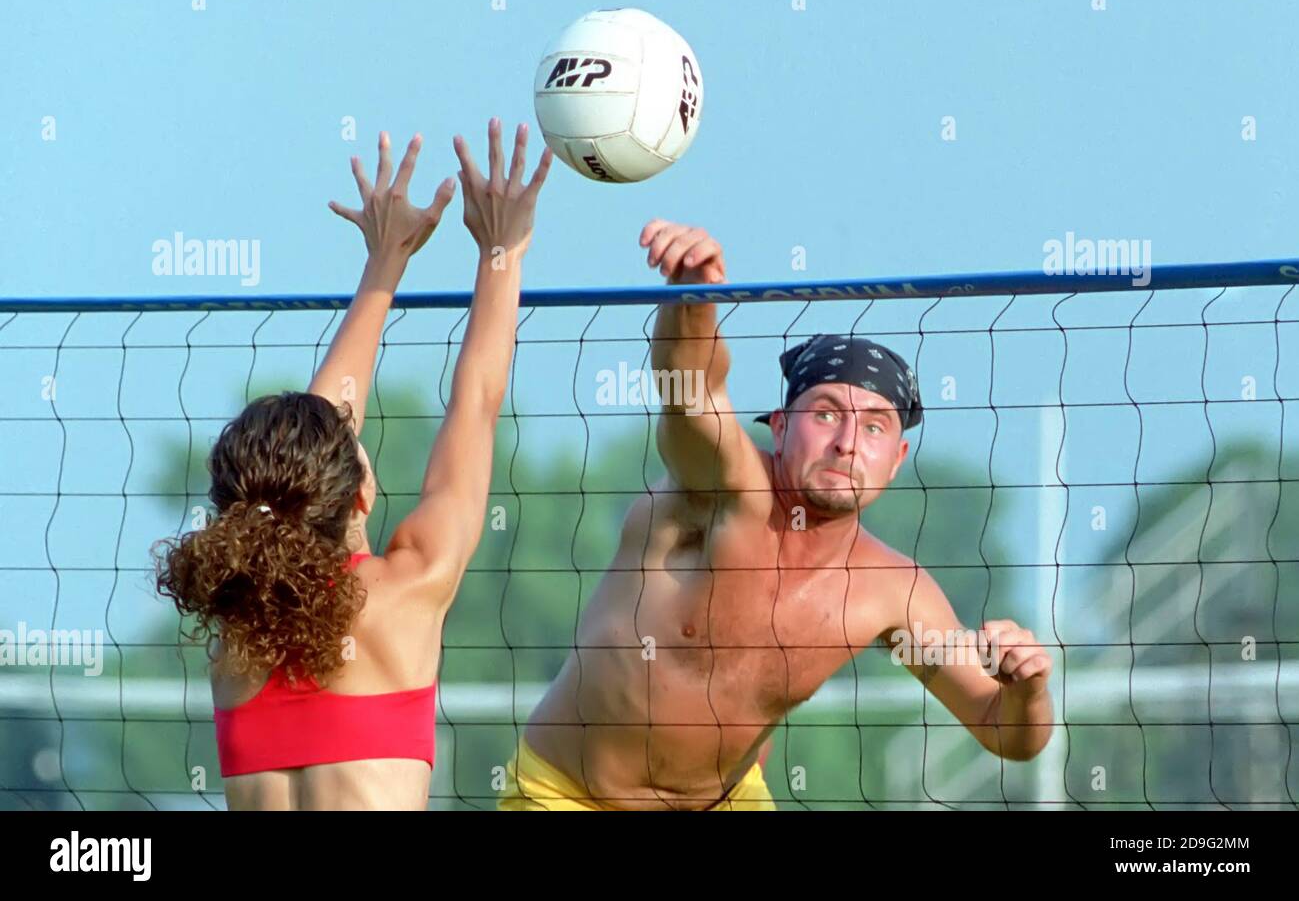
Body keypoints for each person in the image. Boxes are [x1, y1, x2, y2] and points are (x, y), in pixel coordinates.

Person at [501, 220, 1054, 810]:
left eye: (873, 426)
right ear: (781, 427)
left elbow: (1002, 730)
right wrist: (693, 296)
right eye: (825, 414)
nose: (847, 442)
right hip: (570, 797)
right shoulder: (722, 490)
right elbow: (689, 390)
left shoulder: (891, 593)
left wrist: (1026, 690)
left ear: (895, 460)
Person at [153, 120, 551, 810]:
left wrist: (387, 260)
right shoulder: (408, 590)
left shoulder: (236, 637)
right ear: (361, 496)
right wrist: (499, 247)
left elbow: (304, 453)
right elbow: (477, 404)